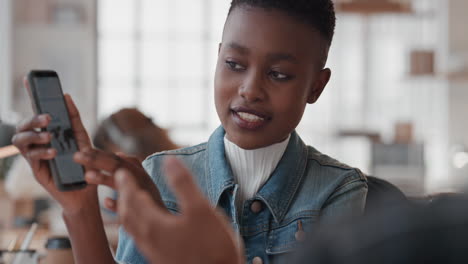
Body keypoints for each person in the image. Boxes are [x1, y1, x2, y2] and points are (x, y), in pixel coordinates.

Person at [12, 0, 368, 263]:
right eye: (234, 64)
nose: (249, 89)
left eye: (278, 74)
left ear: (316, 87)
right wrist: (80, 207)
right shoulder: (156, 177)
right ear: (218, 59)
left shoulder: (338, 191)